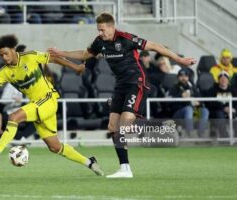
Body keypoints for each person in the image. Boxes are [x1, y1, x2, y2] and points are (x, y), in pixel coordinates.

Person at [48, 12, 196, 178]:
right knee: (113, 127)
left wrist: (180, 60)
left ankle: (160, 126)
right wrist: (60, 53)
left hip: (136, 83)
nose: (100, 33)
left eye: (103, 30)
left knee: (124, 125)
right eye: (98, 30)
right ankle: (125, 169)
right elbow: (84, 54)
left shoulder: (125, 38)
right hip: (120, 86)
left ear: (112, 27)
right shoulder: (100, 42)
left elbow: (155, 46)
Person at [0, 34, 103, 176]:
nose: (4, 57)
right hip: (37, 105)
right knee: (55, 147)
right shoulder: (4, 72)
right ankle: (90, 162)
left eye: (5, 53)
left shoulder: (30, 56)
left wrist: (76, 67)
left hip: (48, 99)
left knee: (14, 116)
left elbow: (53, 58)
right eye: (1, 55)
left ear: (12, 49)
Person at [169, 68, 209, 137]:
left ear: (188, 77)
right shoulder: (174, 88)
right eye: (181, 76)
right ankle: (190, 134)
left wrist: (198, 102)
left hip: (194, 111)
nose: (183, 78)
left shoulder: (193, 87)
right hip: (179, 113)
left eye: (185, 76)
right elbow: (170, 104)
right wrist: (181, 97)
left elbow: (201, 100)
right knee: (188, 109)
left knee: (205, 110)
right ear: (178, 77)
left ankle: (201, 133)